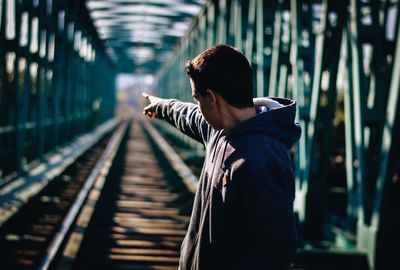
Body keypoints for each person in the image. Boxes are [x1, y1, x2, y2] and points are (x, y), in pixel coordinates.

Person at [143, 44, 301, 270]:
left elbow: (276, 250)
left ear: (212, 98)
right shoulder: (219, 131)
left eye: (197, 98)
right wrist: (163, 106)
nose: (197, 106)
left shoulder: (262, 159)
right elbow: (189, 115)